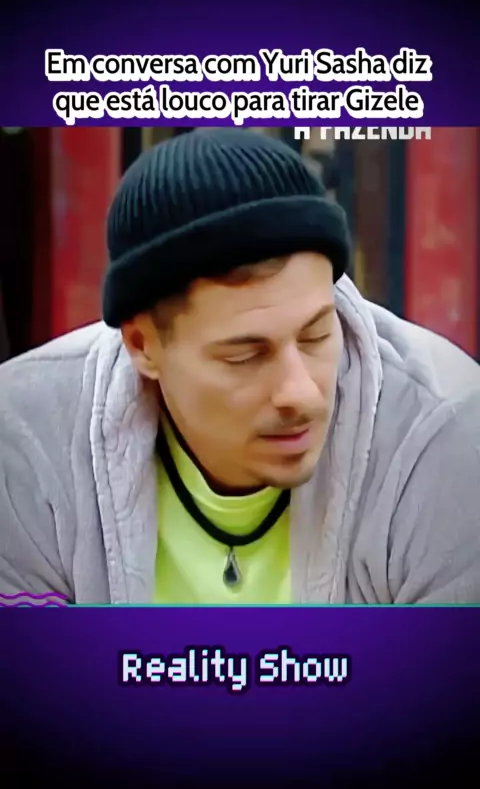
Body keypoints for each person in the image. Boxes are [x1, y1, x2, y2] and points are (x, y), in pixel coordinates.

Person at [0, 128, 479, 605]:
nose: (301, 393)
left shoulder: (444, 435)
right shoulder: (26, 443)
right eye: (245, 356)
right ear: (143, 345)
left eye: (316, 335)